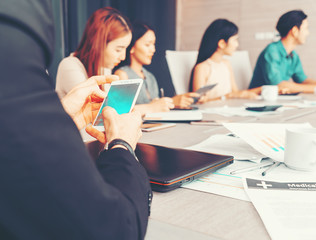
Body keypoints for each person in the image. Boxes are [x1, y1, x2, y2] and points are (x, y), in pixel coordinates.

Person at [0, 1, 151, 239]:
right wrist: (121, 144)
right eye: (119, 48)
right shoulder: (70, 65)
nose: (123, 56)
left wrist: (66, 116)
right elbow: (116, 228)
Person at [114, 22, 199, 114]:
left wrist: (171, 103)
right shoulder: (122, 75)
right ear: (132, 47)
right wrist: (172, 101)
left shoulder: (150, 77)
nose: (153, 50)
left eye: (153, 44)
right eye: (147, 44)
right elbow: (120, 112)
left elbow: (155, 106)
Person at [55, 7, 132, 99]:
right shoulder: (69, 65)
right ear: (98, 44)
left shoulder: (104, 69)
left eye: (125, 49)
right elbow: (96, 108)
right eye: (118, 50)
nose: (123, 57)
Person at [189, 19, 258, 102]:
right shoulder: (202, 68)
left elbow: (235, 92)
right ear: (221, 43)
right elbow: (198, 101)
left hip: (228, 110)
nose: (237, 45)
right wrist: (227, 96)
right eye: (235, 40)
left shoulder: (226, 64)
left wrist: (257, 91)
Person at [249, 10, 316, 93]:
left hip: (278, 100)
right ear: (294, 31)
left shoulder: (293, 55)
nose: (308, 33)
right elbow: (279, 85)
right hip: (258, 101)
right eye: (306, 28)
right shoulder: (271, 51)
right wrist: (314, 89)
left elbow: (302, 80)